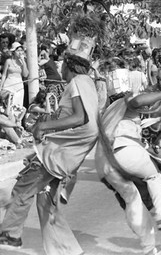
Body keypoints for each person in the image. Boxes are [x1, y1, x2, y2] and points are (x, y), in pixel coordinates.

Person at [0, 36, 99, 254]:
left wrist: (45, 127)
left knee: (23, 188)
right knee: (46, 202)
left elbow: (80, 118)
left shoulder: (77, 83)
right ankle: (66, 250)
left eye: (63, 63)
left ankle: (10, 235)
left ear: (70, 65)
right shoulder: (88, 83)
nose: (60, 68)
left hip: (57, 154)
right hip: (67, 154)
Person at [96, 86, 161, 255]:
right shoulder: (125, 102)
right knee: (154, 176)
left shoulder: (110, 116)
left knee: (132, 200)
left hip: (105, 164)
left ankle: (149, 248)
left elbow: (155, 111)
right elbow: (137, 101)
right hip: (124, 151)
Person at [0, 42, 29, 111]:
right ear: (14, 51)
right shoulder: (8, 61)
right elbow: (4, 75)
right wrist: (1, 87)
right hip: (9, 83)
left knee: (17, 106)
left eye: (21, 50)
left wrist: (23, 62)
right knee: (7, 105)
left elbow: (25, 74)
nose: (20, 52)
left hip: (19, 85)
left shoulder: (22, 62)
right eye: (18, 50)